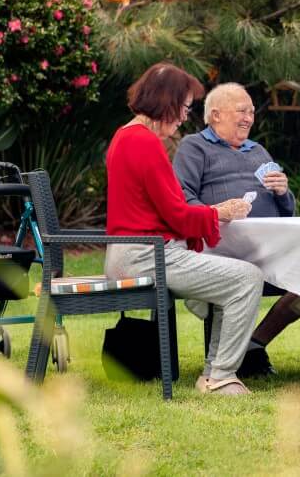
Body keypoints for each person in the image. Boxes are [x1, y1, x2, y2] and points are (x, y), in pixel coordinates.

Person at [104, 63, 263, 396]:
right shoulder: (144, 142)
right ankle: (219, 376)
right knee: (248, 278)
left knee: (231, 276)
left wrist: (209, 213)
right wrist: (219, 212)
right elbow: (176, 214)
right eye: (184, 108)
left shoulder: (123, 136)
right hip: (147, 257)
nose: (183, 118)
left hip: (131, 253)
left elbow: (162, 211)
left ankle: (215, 373)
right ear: (167, 102)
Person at [173, 82, 300, 377]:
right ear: (216, 115)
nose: (248, 118)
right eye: (242, 112)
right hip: (221, 247)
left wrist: (283, 192)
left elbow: (288, 212)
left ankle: (254, 344)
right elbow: (184, 199)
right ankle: (237, 355)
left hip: (268, 246)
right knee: (240, 278)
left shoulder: (257, 150)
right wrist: (218, 213)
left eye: (251, 112)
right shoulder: (194, 147)